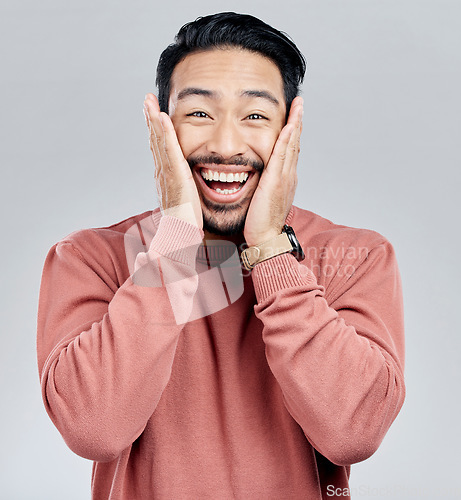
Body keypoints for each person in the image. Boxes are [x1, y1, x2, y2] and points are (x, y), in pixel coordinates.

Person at [37, 12, 405, 500]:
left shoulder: (355, 257)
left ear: (289, 130)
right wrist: (176, 239)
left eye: (255, 116)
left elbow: (353, 434)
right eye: (199, 114)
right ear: (161, 128)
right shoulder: (88, 259)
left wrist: (271, 248)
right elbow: (94, 429)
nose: (226, 145)